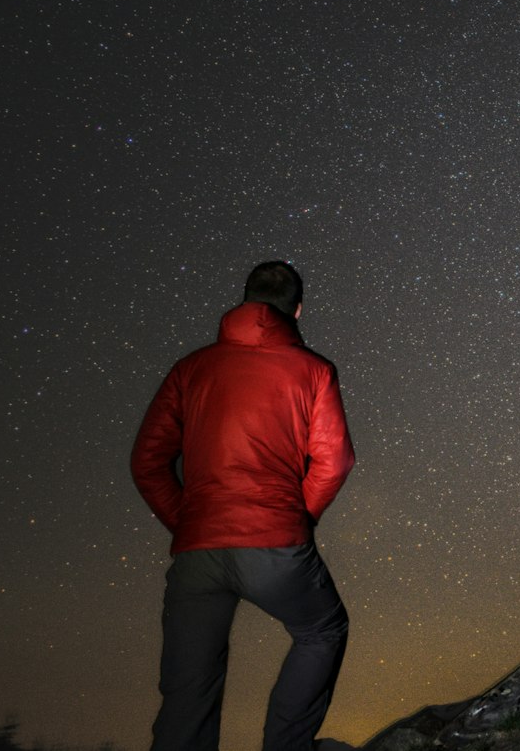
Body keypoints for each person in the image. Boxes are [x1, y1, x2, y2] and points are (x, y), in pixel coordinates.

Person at [131, 261, 355, 751]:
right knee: (323, 630)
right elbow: (334, 462)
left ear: (244, 300)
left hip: (198, 553)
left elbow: (147, 462)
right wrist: (300, 516)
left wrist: (189, 522)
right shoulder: (314, 371)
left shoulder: (190, 370)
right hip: (276, 543)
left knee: (189, 688)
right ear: (297, 310)